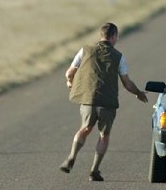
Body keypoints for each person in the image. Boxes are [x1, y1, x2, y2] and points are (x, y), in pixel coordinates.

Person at [59, 22, 148, 181]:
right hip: (107, 102)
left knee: (85, 129)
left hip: (88, 100)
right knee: (104, 135)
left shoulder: (85, 50)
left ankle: (71, 157)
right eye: (117, 36)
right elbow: (126, 83)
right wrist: (138, 93)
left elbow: (69, 73)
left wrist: (70, 83)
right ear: (113, 36)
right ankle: (94, 170)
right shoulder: (119, 57)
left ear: (101, 35)